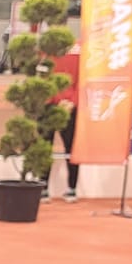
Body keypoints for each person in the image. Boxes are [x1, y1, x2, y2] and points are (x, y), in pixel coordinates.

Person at [53, 44, 82, 201]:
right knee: (70, 147)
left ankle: (69, 187)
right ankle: (71, 188)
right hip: (66, 105)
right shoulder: (81, 49)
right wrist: (71, 102)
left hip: (52, 104)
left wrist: (62, 101)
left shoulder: (44, 51)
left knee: (68, 147)